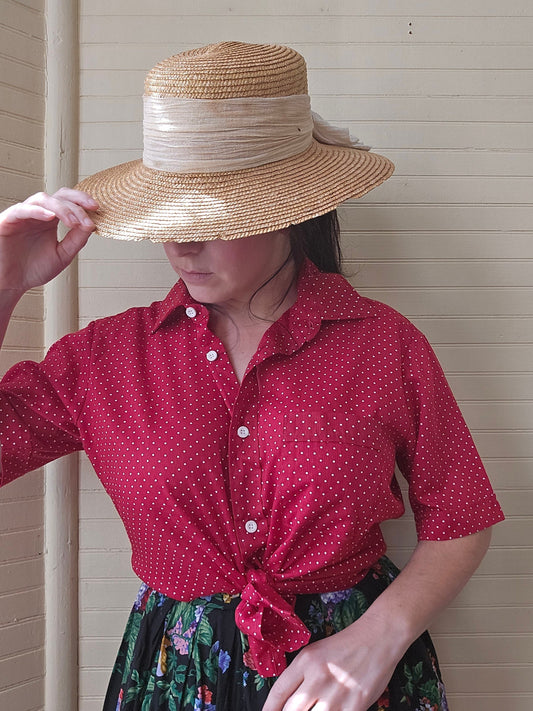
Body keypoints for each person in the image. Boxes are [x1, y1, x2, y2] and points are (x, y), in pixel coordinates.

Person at [0, 42, 503, 711]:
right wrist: (5, 281)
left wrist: (379, 636)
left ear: (286, 207)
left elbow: (460, 514)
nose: (180, 242)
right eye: (168, 215)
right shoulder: (106, 358)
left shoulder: (382, 344)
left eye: (209, 216)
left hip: (355, 679)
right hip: (172, 680)